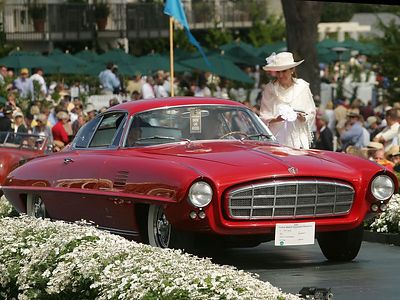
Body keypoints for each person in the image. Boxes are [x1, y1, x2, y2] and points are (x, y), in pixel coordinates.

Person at [259, 52, 316, 149]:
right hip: (277, 141)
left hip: (298, 139)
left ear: (292, 70)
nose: (280, 75)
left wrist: (303, 118)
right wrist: (277, 119)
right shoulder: (270, 89)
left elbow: (311, 112)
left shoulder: (302, 87)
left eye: (284, 71)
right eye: (278, 72)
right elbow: (263, 117)